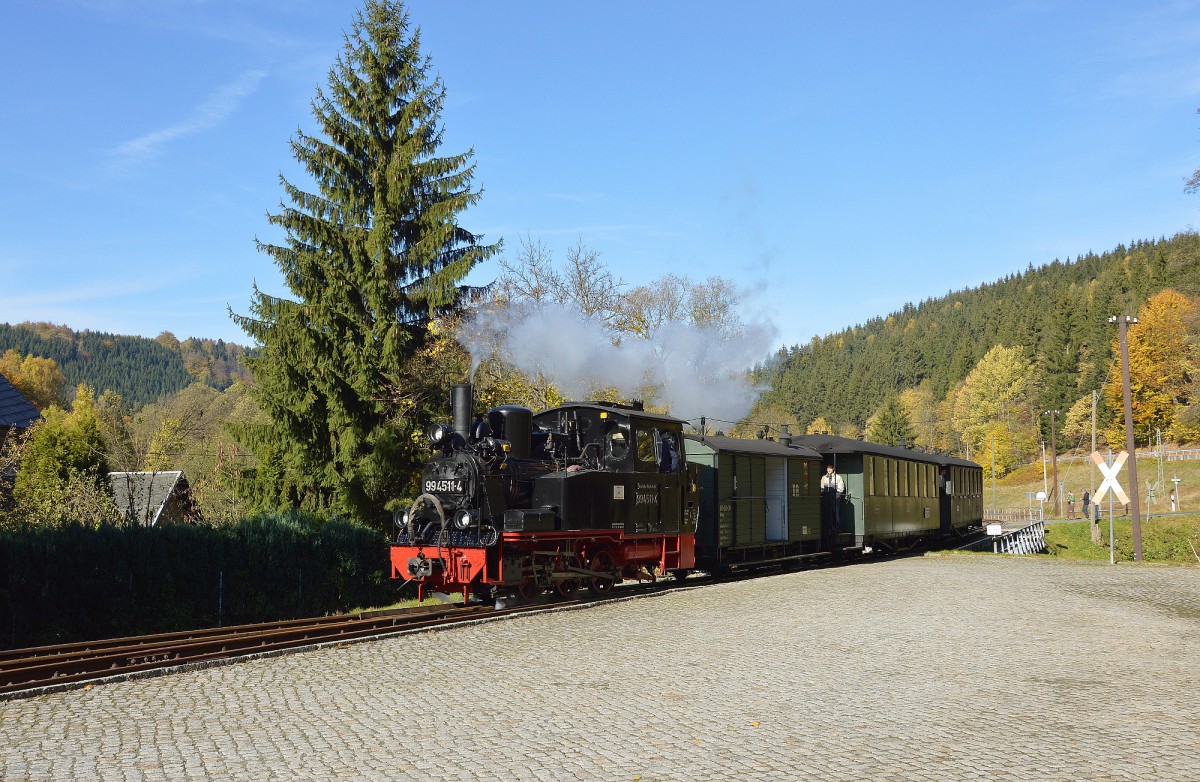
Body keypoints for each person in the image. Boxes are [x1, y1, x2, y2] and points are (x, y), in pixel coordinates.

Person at [820, 464, 845, 549]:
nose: (829, 469)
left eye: (830, 468)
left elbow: (841, 488)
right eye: (828, 468)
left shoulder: (838, 477)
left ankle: (838, 528)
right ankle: (828, 528)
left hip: (834, 497)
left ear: (833, 469)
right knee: (826, 513)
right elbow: (822, 488)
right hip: (826, 498)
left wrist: (837, 495)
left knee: (836, 513)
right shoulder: (824, 478)